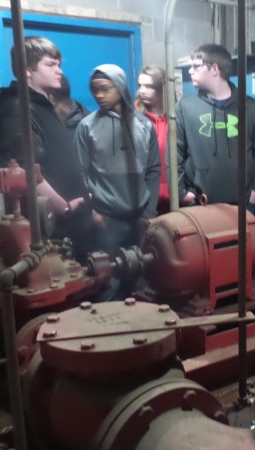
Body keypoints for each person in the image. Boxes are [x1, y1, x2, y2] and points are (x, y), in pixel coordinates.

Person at [0, 36, 92, 257]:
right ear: (27, 69)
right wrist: (62, 207)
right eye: (51, 65)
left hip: (69, 227)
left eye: (59, 65)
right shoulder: (17, 108)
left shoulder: (41, 106)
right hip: (51, 229)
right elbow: (23, 169)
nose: (59, 71)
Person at [74, 64, 161, 300]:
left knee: (141, 280)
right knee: (107, 283)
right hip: (106, 222)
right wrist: (92, 212)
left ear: (120, 86)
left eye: (104, 89)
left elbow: (153, 170)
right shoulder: (86, 127)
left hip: (139, 220)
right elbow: (80, 175)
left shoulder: (144, 125)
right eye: (94, 91)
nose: (99, 96)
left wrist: (149, 213)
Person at [174, 43, 255, 208]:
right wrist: (181, 193)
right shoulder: (184, 107)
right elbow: (175, 153)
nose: (190, 71)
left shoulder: (249, 107)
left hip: (242, 206)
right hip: (199, 204)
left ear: (214, 69)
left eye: (196, 66)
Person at [135, 65, 170, 214]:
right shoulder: (134, 118)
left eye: (149, 86)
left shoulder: (177, 116)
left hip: (175, 194)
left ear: (162, 88)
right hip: (146, 197)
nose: (142, 90)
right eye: (140, 85)